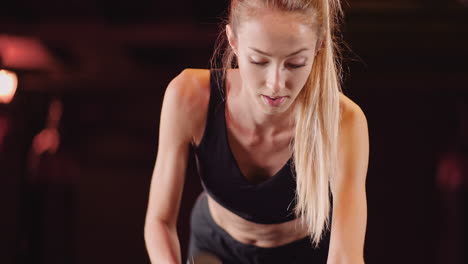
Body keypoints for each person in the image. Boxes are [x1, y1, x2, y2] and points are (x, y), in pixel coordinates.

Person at [144, 0, 369, 263]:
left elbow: (346, 257)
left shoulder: (344, 122)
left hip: (301, 254)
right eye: (259, 60)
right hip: (213, 248)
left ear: (319, 46)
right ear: (234, 41)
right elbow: (159, 221)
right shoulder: (188, 96)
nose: (276, 84)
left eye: (295, 63)